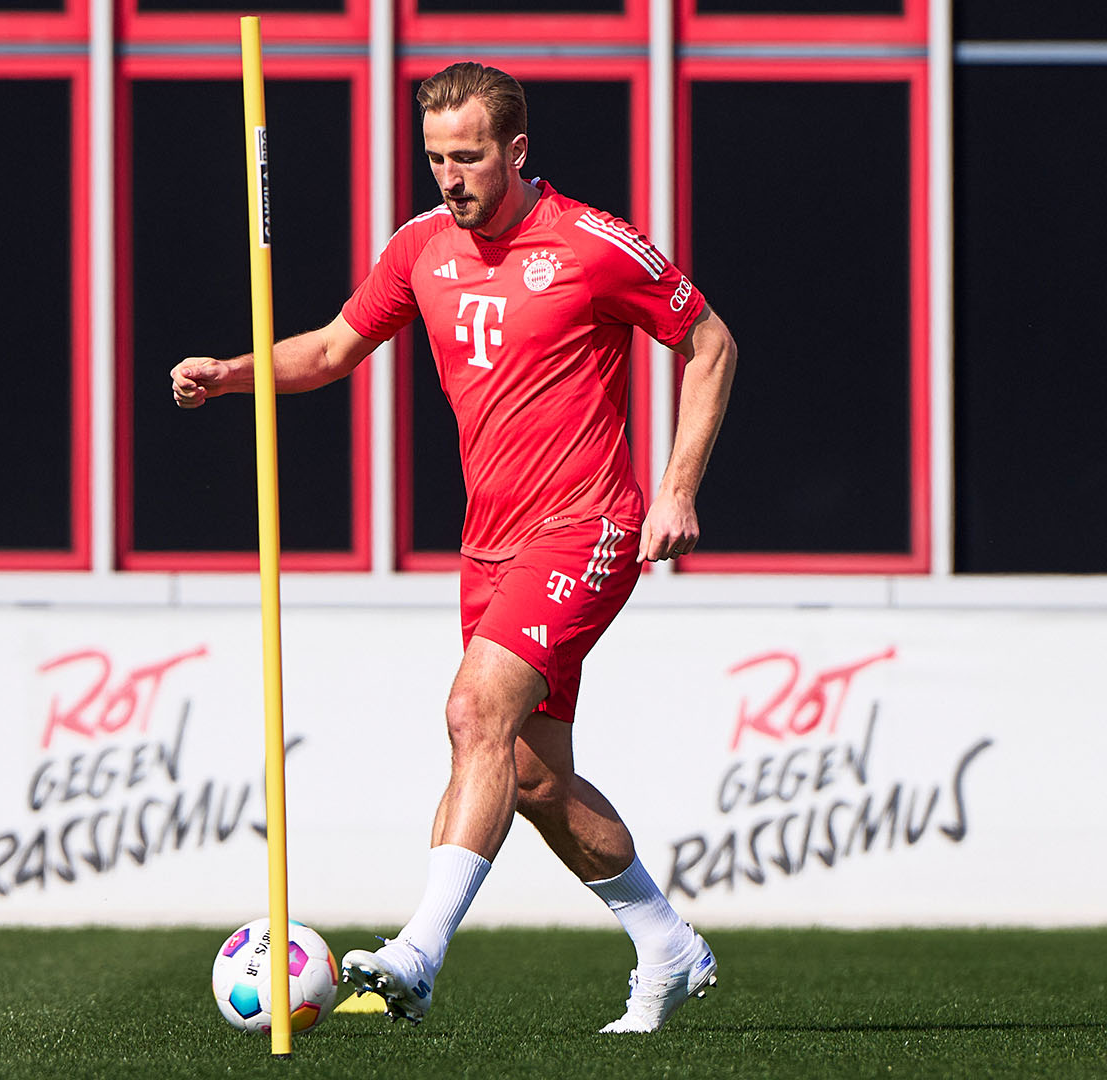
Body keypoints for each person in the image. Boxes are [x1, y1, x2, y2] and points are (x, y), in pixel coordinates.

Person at [170, 61, 737, 1034]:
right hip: (491, 547)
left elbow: (712, 341)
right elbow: (332, 348)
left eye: (468, 156)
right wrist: (230, 376)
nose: (450, 176)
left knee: (474, 709)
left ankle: (417, 957)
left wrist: (677, 488)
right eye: (436, 157)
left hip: (589, 523)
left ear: (516, 150)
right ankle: (669, 944)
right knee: (529, 775)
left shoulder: (594, 244)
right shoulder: (420, 248)